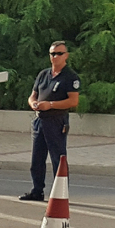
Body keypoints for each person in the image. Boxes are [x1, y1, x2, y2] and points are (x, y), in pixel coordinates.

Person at [19, 41, 80, 202]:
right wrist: (33, 103)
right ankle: (37, 190)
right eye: (53, 53)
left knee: (58, 158)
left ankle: (61, 193)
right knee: (37, 159)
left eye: (59, 53)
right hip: (40, 120)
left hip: (56, 121)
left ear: (66, 56)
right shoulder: (43, 74)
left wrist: (51, 105)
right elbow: (33, 95)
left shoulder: (70, 76)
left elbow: (73, 101)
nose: (55, 57)